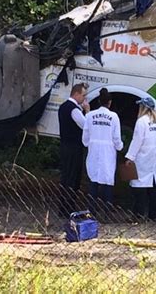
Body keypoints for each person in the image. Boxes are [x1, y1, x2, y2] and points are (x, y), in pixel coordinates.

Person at [82, 88, 123, 211]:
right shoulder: (114, 116)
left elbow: (85, 137)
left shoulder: (90, 116)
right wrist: (120, 147)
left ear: (99, 101)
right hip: (108, 152)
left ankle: (92, 210)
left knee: (93, 180)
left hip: (94, 151)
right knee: (107, 180)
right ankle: (107, 211)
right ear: (109, 102)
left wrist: (90, 143)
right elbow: (116, 137)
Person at [125, 97, 156, 221]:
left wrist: (130, 157)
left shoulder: (141, 121)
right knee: (152, 186)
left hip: (142, 156)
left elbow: (137, 141)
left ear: (143, 108)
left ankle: (138, 215)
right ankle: (153, 215)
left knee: (138, 186)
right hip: (153, 156)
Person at [58, 83, 90, 217]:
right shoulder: (74, 110)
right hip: (74, 147)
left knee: (66, 177)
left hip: (65, 145)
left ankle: (63, 207)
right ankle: (68, 207)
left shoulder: (63, 107)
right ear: (76, 94)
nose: (84, 99)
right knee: (73, 178)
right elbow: (86, 125)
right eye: (83, 95)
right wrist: (87, 111)